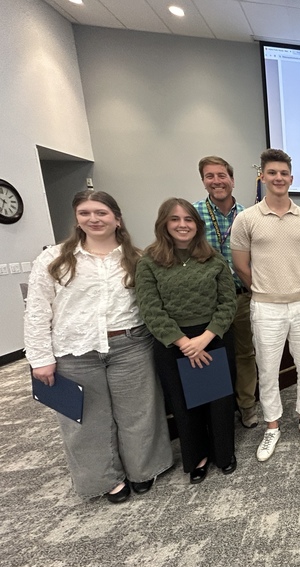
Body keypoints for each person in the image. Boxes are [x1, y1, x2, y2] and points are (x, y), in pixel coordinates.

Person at [24, 190, 172, 503]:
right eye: (85, 213)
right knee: (86, 421)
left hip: (130, 345)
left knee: (140, 413)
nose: (94, 219)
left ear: (117, 219)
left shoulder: (137, 258)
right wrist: (40, 359)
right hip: (75, 351)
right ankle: (106, 480)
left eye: (101, 213)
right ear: (77, 219)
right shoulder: (53, 259)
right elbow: (37, 311)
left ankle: (143, 470)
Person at [231, 148, 300, 461]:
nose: (278, 178)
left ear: (291, 178)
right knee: (268, 370)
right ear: (263, 177)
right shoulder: (247, 219)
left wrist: (292, 283)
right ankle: (272, 426)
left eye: (284, 173)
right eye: (272, 173)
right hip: (265, 306)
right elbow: (241, 265)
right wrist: (265, 288)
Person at [136, 198, 237, 484]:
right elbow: (150, 308)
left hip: (213, 337)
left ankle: (223, 453)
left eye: (188, 219)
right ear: (164, 224)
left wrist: (204, 339)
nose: (182, 225)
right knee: (184, 404)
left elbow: (228, 303)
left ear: (197, 224)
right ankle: (197, 457)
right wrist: (184, 343)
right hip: (173, 344)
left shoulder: (213, 258)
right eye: (175, 219)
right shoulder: (149, 262)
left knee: (219, 401)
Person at [194, 156, 259, 428]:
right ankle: (215, 415)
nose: (217, 181)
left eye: (222, 176)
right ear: (203, 181)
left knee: (246, 354)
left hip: (242, 296)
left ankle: (246, 406)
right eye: (210, 176)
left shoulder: (249, 215)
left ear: (232, 180)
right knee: (209, 356)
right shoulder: (193, 215)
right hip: (207, 301)